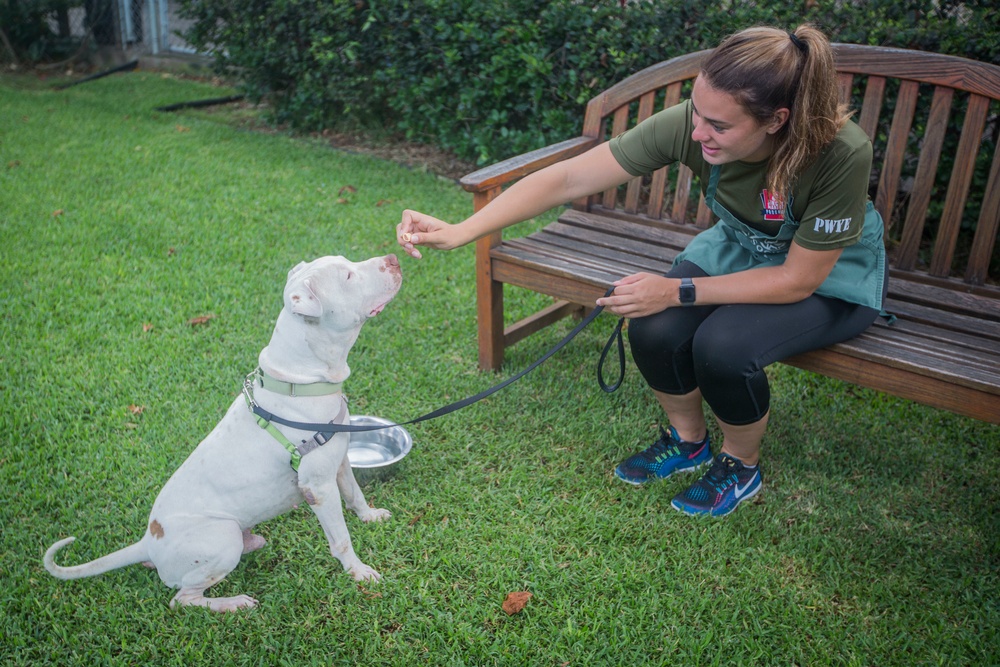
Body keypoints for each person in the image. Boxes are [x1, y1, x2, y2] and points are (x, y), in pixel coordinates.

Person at [396, 25, 887, 518]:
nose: (697, 133)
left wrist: (675, 291)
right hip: (741, 248)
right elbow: (570, 177)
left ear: (776, 120)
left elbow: (797, 279)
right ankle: (688, 442)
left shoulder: (840, 152)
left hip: (829, 274)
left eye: (718, 126)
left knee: (724, 346)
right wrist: (463, 230)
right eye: (697, 113)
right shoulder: (697, 121)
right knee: (652, 325)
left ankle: (740, 464)